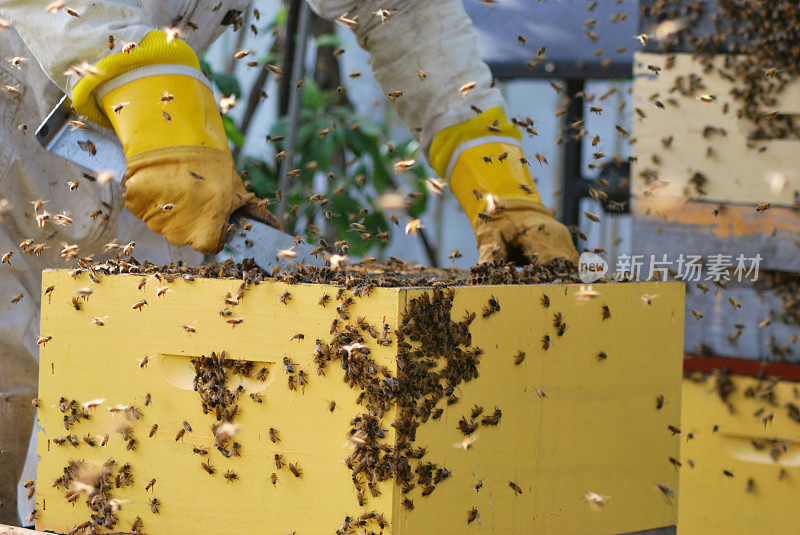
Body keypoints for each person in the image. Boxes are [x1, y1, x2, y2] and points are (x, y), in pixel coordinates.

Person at [0, 0, 577, 526]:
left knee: (122, 457)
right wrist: (136, 73)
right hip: (17, 127)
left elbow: (401, 9)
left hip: (151, 172)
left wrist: (491, 167)